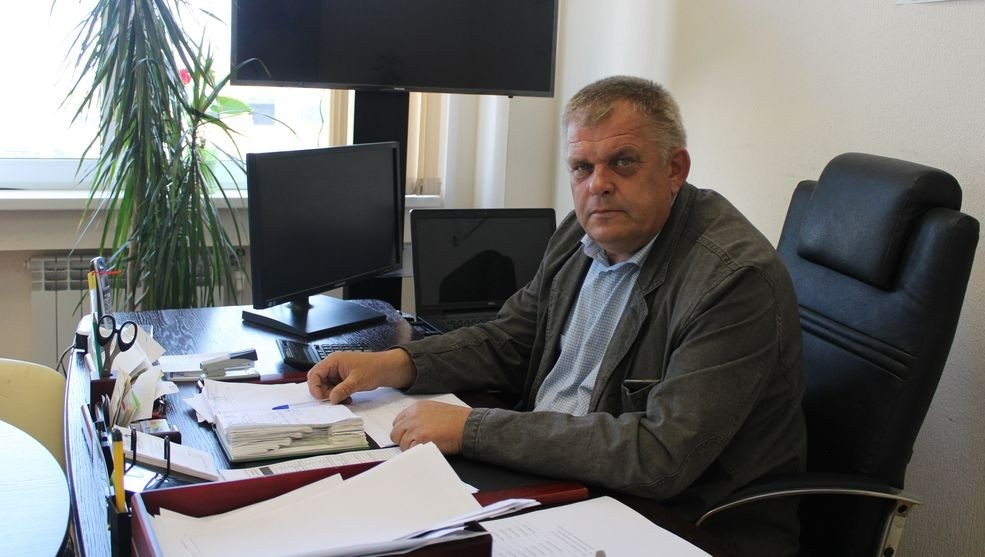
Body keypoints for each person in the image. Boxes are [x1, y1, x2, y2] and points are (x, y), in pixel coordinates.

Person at [308, 75, 807, 555]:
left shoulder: (732, 279)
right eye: (582, 167)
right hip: (556, 475)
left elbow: (660, 456)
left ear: (675, 168)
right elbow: (512, 339)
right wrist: (396, 363)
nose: (599, 185)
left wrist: (472, 429)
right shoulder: (581, 233)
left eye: (623, 163)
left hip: (675, 518)